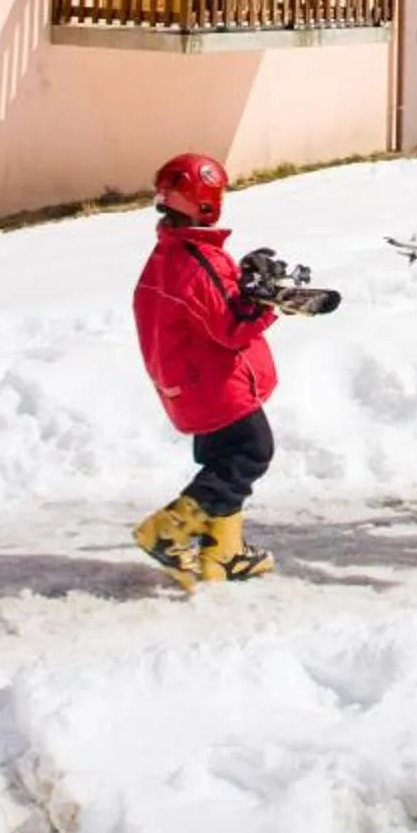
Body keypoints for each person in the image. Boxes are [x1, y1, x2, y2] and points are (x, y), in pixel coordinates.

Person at [131, 152, 317, 589]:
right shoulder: (197, 260)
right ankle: (169, 528)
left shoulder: (170, 255)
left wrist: (245, 283)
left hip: (190, 383)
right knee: (251, 453)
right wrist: (266, 301)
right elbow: (232, 326)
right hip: (216, 385)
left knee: (222, 462)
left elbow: (211, 306)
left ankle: (224, 552)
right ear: (207, 202)